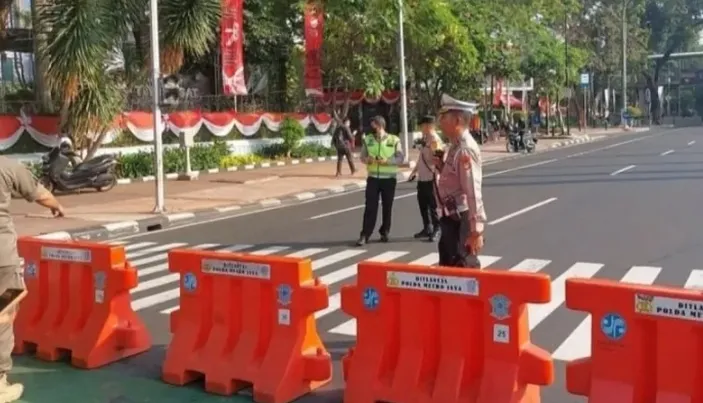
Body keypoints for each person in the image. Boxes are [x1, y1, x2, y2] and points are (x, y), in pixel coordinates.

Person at [0, 156, 64, 401]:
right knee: (5, 312)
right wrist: (57, 206)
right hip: (2, 259)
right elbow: (39, 194)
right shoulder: (7, 167)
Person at [434, 94, 486, 268]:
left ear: (457, 120)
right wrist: (441, 166)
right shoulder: (455, 145)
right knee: (449, 269)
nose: (440, 122)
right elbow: (456, 179)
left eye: (443, 117)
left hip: (460, 221)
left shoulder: (465, 149)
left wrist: (475, 230)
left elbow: (472, 191)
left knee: (462, 270)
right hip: (450, 218)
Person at [356, 116, 404, 246]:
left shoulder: (394, 140)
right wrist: (368, 160)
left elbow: (400, 158)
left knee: (387, 207)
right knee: (370, 207)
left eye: (374, 125)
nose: (373, 128)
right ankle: (365, 234)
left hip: (389, 179)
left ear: (381, 125)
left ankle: (385, 232)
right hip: (373, 179)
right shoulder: (368, 139)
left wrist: (387, 161)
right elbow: (362, 157)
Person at [408, 115, 443, 242]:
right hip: (422, 177)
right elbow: (421, 157)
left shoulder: (434, 140)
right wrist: (414, 171)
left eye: (422, 125)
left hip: (431, 177)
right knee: (423, 204)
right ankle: (427, 227)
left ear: (429, 126)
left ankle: (437, 228)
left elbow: (438, 158)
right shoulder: (425, 139)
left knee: (433, 205)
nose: (421, 128)